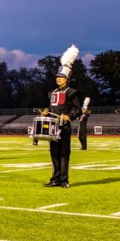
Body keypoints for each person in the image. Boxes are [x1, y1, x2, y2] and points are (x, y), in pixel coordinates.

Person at [41, 45, 83, 187]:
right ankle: (55, 179)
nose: (59, 79)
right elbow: (51, 107)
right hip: (52, 125)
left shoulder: (72, 92)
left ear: (67, 79)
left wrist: (69, 116)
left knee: (64, 153)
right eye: (58, 77)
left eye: (62, 77)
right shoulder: (52, 92)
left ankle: (64, 180)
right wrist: (46, 112)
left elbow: (79, 110)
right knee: (54, 153)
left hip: (64, 126)